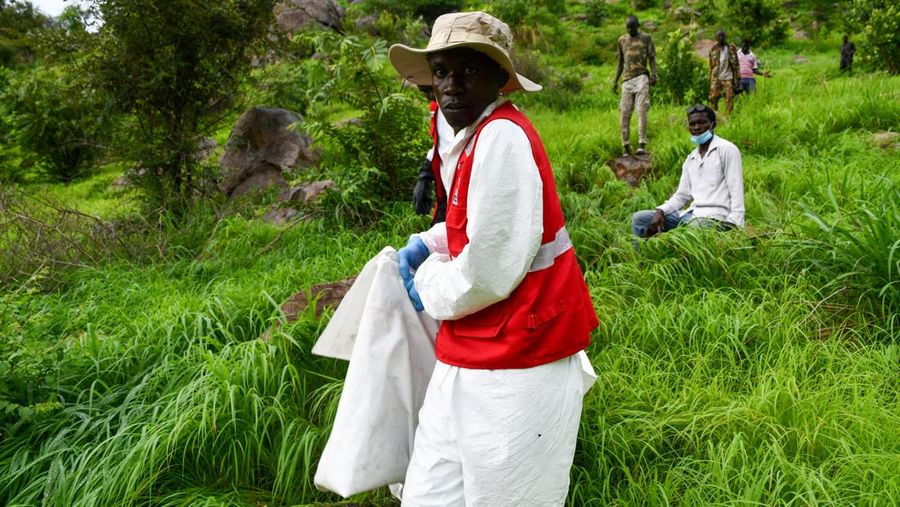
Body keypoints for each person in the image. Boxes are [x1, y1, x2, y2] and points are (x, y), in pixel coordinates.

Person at [388, 11, 599, 506]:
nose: (452, 85)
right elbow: (478, 223)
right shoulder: (475, 136)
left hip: (521, 363)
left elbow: (487, 270)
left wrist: (428, 279)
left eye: (469, 70)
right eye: (441, 72)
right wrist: (432, 242)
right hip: (468, 352)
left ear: (498, 77)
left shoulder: (502, 138)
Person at [632, 104, 744, 245]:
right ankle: (641, 258)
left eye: (702, 123)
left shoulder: (727, 150)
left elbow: (736, 187)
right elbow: (682, 195)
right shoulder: (691, 159)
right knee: (640, 219)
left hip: (716, 217)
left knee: (693, 229)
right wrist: (661, 210)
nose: (697, 127)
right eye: (693, 124)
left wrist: (735, 223)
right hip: (691, 214)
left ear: (713, 125)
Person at [612, 15, 657, 156]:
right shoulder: (622, 40)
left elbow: (652, 58)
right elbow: (620, 62)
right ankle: (625, 146)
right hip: (626, 81)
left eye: (632, 27)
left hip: (642, 77)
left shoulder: (646, 38)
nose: (630, 30)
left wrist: (654, 74)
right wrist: (615, 81)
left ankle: (642, 144)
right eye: (628, 27)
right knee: (624, 113)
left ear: (638, 26)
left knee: (641, 111)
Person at [412, 85, 453, 225]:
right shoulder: (436, 107)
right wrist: (425, 174)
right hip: (446, 187)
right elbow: (440, 143)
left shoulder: (462, 107)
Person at [708, 30, 740, 113]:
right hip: (716, 78)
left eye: (722, 35)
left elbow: (736, 64)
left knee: (729, 98)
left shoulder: (731, 48)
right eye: (719, 36)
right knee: (713, 98)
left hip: (728, 78)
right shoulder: (713, 49)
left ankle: (729, 117)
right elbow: (711, 65)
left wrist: (738, 79)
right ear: (716, 38)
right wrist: (710, 79)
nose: (721, 37)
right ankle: (714, 115)